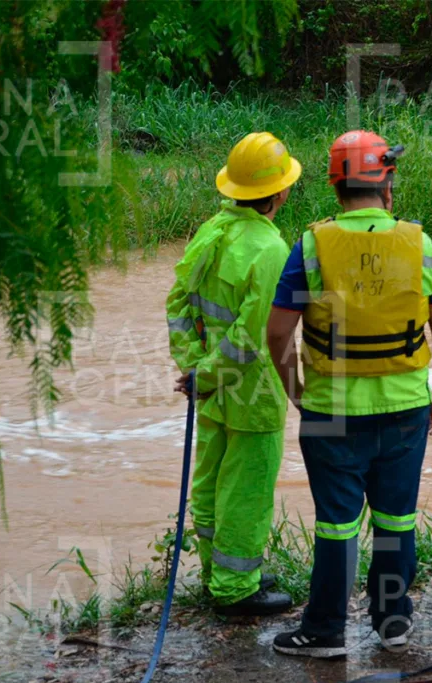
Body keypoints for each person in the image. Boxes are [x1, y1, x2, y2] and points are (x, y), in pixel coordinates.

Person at [267, 131, 432, 658]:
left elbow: (277, 333)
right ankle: (393, 622)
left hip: (332, 409)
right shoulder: (420, 244)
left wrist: (295, 388)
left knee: (336, 524)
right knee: (397, 518)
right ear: (387, 184)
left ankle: (325, 630)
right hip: (404, 406)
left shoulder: (310, 245)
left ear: (336, 188)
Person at [166, 132, 301, 616]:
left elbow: (178, 305)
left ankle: (216, 573)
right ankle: (234, 589)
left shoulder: (211, 230)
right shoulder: (271, 249)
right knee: (246, 490)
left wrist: (194, 368)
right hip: (251, 391)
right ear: (280, 192)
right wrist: (210, 375)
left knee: (210, 481)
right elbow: (253, 337)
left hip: (210, 388)